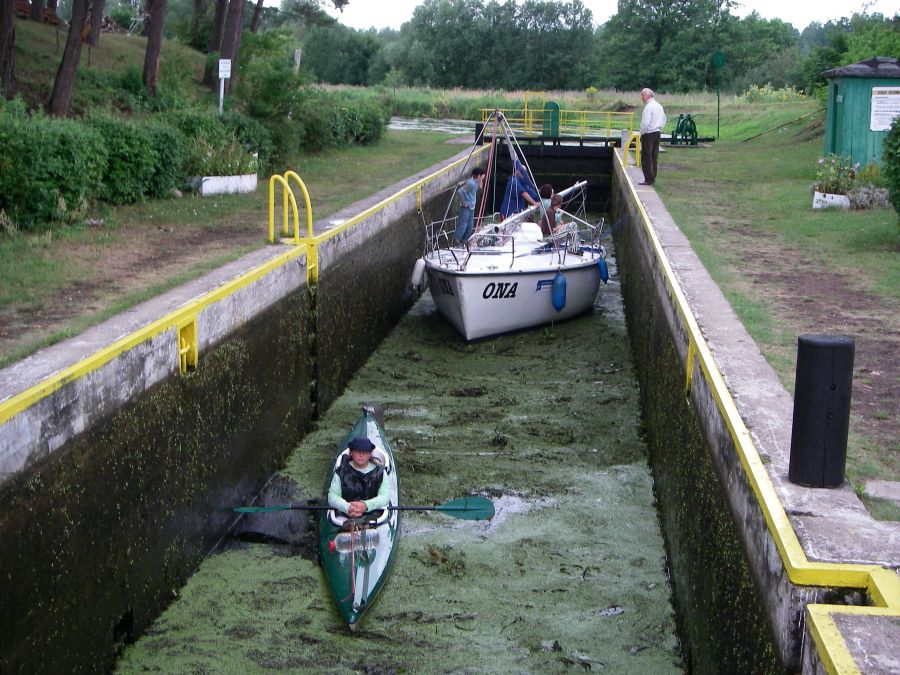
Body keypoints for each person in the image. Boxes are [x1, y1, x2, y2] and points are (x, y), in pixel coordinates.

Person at [328, 436, 390, 519]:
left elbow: (384, 497)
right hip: (346, 513)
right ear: (351, 452)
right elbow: (332, 495)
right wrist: (348, 507)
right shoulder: (341, 471)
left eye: (365, 452)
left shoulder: (380, 472)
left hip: (373, 512)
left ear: (370, 453)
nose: (361, 455)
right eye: (357, 451)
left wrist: (365, 505)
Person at [639, 88, 666, 186]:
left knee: (646, 156)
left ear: (648, 96)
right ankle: (653, 176)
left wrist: (642, 132)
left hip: (648, 133)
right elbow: (664, 119)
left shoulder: (648, 107)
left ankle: (648, 178)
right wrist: (659, 128)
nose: (641, 98)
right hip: (657, 132)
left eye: (643, 95)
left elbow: (645, 123)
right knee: (654, 155)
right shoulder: (659, 106)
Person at [453, 167, 486, 247]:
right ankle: (457, 241)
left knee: (470, 225)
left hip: (471, 207)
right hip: (466, 207)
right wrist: (464, 203)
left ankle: (465, 240)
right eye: (482, 177)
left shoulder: (476, 183)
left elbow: (476, 190)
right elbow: (460, 191)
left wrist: (480, 186)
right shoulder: (471, 183)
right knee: (462, 225)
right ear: (478, 176)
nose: (483, 179)